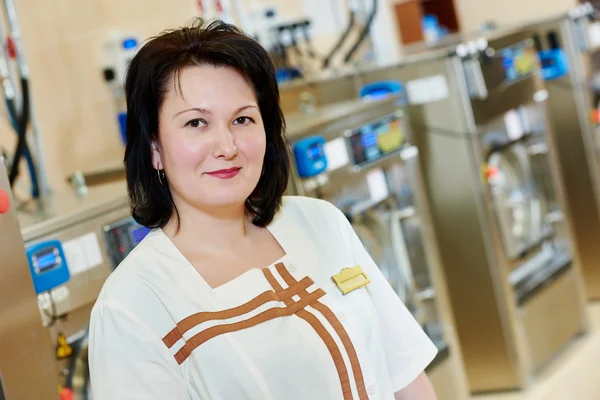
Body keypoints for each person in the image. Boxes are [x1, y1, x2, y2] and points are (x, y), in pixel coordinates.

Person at [88, 18, 439, 400]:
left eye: (242, 119)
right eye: (196, 123)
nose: (226, 145)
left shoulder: (320, 222)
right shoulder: (131, 304)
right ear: (155, 148)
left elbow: (405, 375)